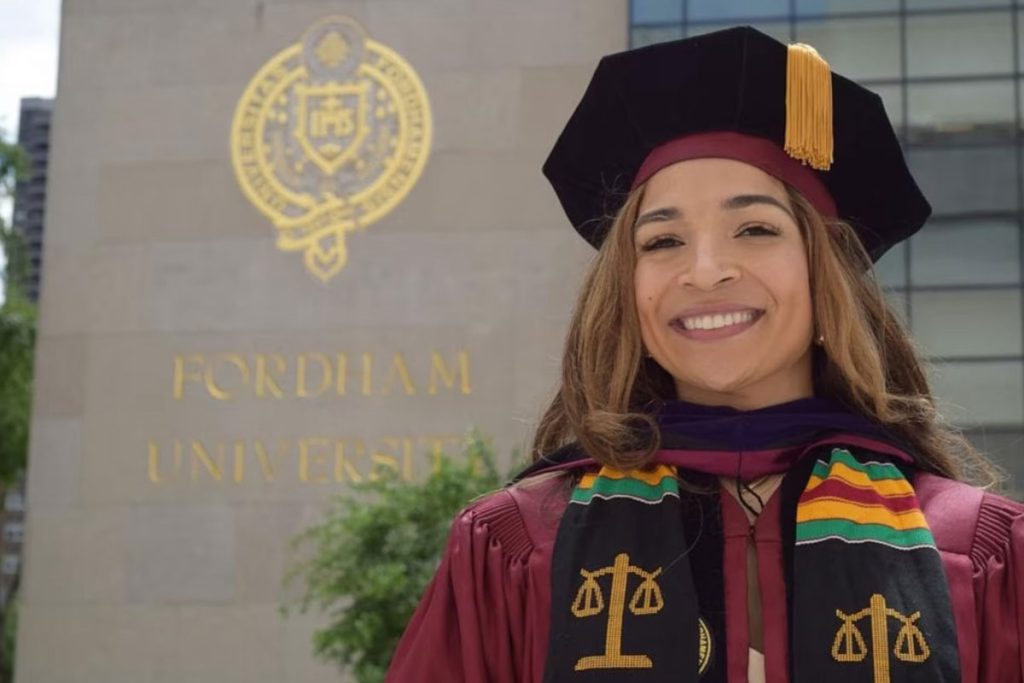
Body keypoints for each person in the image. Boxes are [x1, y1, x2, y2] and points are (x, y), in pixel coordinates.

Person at [385, 26, 1024, 683]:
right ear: (629, 294)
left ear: (822, 275)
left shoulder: (981, 552)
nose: (707, 270)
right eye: (663, 241)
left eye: (755, 229)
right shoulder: (514, 546)